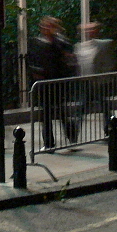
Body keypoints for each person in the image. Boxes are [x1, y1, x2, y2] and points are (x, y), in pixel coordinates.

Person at [27, 16, 76, 148]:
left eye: (50, 26)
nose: (46, 29)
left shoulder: (60, 42)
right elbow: (31, 60)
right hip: (43, 84)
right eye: (44, 26)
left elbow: (68, 58)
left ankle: (71, 135)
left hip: (57, 83)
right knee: (46, 114)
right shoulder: (37, 42)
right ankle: (48, 142)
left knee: (62, 112)